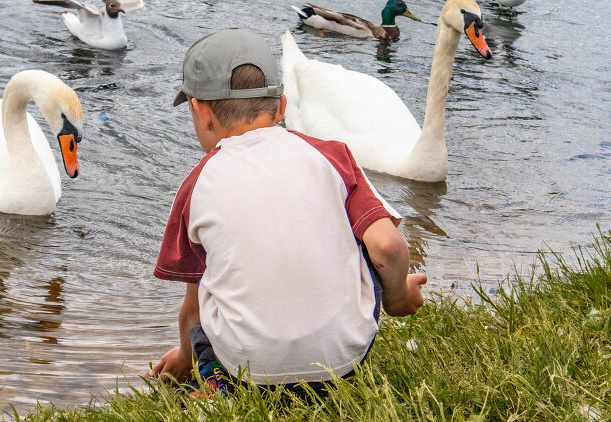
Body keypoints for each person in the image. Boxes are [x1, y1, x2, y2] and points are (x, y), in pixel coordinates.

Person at [149, 28, 426, 393]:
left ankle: (216, 383)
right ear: (280, 108)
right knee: (359, 242)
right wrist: (398, 296)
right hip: (343, 365)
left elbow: (193, 309)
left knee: (208, 283)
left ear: (201, 112)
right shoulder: (333, 155)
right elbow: (387, 247)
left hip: (248, 374)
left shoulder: (196, 184)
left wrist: (187, 357)